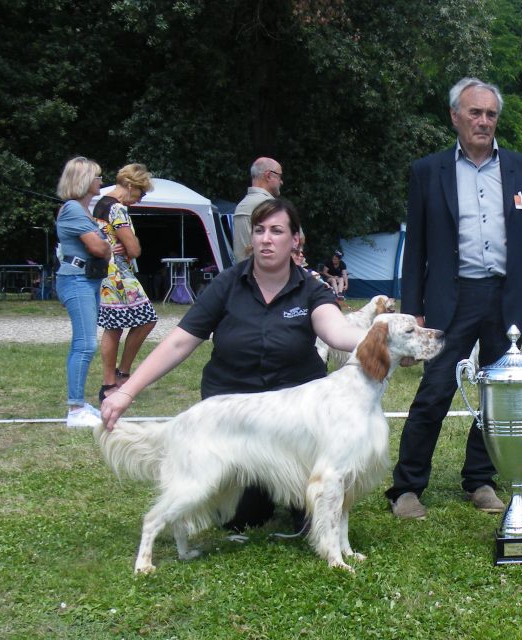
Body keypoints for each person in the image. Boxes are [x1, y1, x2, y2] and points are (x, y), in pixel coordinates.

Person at [101, 198, 367, 532]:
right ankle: (256, 491)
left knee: (312, 511)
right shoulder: (226, 285)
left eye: (276, 231)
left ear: (295, 240)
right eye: (259, 231)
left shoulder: (311, 288)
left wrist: (380, 340)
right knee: (241, 518)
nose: (266, 239)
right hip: (236, 420)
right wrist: (126, 392)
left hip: (295, 422)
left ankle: (292, 491)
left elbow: (337, 330)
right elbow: (180, 342)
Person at [387, 77, 522, 520]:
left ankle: (480, 480)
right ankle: (407, 487)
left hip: (510, 298)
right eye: (475, 113)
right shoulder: (428, 171)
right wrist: (413, 313)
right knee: (435, 391)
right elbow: (418, 251)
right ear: (455, 117)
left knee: (499, 394)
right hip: (452, 298)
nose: (483, 121)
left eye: (490, 114)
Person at [54, 156, 117, 428]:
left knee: (84, 342)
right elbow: (98, 248)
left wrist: (104, 244)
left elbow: (103, 246)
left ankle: (77, 404)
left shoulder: (81, 211)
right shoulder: (73, 210)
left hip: (86, 279)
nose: (101, 181)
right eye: (97, 176)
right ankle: (76, 409)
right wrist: (105, 244)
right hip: (76, 279)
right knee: (85, 343)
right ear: (84, 180)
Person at [92, 163, 157, 403]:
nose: (140, 199)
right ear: (130, 185)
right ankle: (120, 375)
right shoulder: (118, 208)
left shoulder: (101, 203)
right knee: (145, 320)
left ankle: (113, 379)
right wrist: (132, 247)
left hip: (107, 273)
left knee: (115, 326)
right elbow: (134, 248)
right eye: (141, 192)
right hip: (118, 274)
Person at [231, 157, 283, 261]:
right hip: (270, 273)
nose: (281, 182)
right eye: (279, 176)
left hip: (243, 274)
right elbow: (298, 241)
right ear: (268, 175)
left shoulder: (241, 206)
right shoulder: (272, 207)